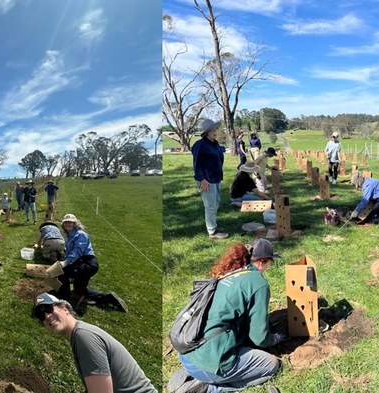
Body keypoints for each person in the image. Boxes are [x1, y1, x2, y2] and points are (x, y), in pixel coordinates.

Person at [177, 240, 284, 393]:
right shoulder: (259, 284)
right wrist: (274, 339)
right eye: (270, 262)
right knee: (272, 365)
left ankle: (198, 377)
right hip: (210, 363)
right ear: (262, 261)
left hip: (187, 350)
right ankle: (214, 388)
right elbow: (259, 338)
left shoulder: (232, 272)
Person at [32, 293, 157, 393]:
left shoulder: (84, 337)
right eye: (41, 316)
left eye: (49, 308)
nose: (47, 316)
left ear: (64, 308)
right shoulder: (80, 334)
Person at [47, 214, 126, 312]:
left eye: (70, 222)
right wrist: (63, 262)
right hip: (80, 263)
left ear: (75, 223)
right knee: (79, 290)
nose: (68, 224)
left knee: (63, 272)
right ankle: (108, 298)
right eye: (66, 222)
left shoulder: (80, 234)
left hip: (87, 263)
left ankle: (64, 299)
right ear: (63, 225)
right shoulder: (69, 236)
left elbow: (78, 251)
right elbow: (70, 253)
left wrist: (65, 263)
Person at [191, 119, 228, 240]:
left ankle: (213, 225)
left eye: (215, 129)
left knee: (216, 203)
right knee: (210, 205)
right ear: (206, 132)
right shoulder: (200, 145)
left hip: (216, 178)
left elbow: (218, 156)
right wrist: (202, 179)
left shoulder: (215, 144)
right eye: (212, 130)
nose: (215, 132)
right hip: (206, 180)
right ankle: (212, 232)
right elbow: (197, 164)